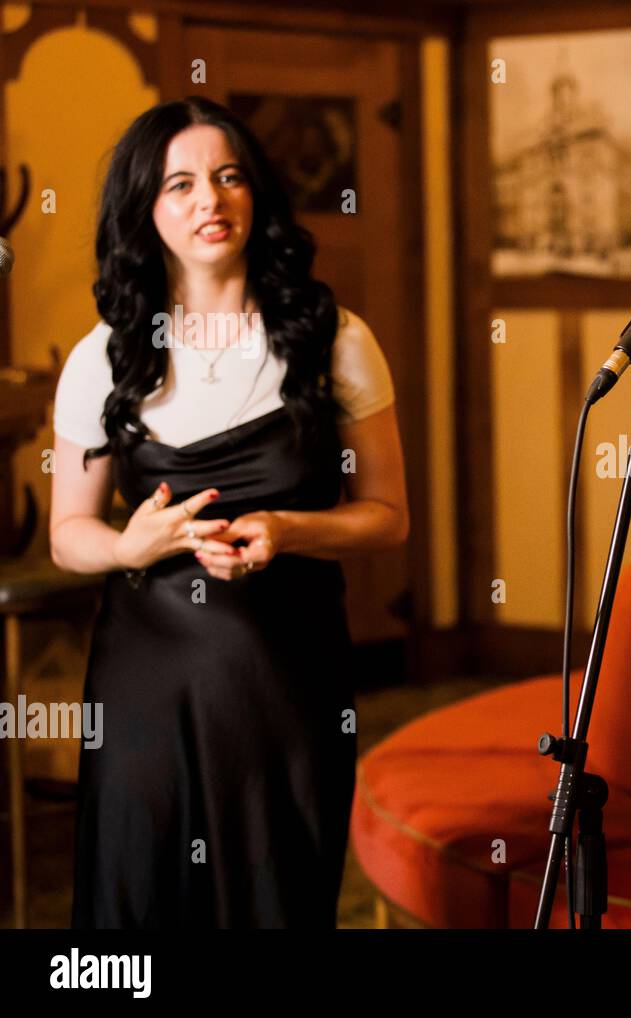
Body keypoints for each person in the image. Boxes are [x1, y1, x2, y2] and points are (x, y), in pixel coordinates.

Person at [48, 96, 409, 928]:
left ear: (256, 196)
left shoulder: (336, 339)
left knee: (277, 892)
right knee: (138, 894)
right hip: (144, 679)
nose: (209, 199)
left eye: (228, 177)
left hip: (288, 680)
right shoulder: (100, 358)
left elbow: (388, 516)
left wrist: (289, 530)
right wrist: (131, 544)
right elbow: (72, 535)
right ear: (146, 209)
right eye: (180, 184)